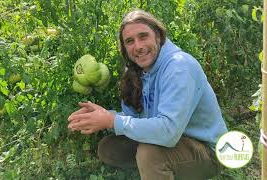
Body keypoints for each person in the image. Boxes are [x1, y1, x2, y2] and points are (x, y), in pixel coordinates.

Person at [68, 9, 228, 180]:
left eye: (143, 36)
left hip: (207, 151)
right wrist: (105, 117)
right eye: (130, 41)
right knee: (109, 148)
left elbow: (168, 132)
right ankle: (160, 169)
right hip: (172, 140)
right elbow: (132, 119)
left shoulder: (179, 67)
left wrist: (111, 121)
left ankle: (158, 166)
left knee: (149, 154)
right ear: (124, 47)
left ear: (158, 36)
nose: (138, 46)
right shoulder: (136, 69)